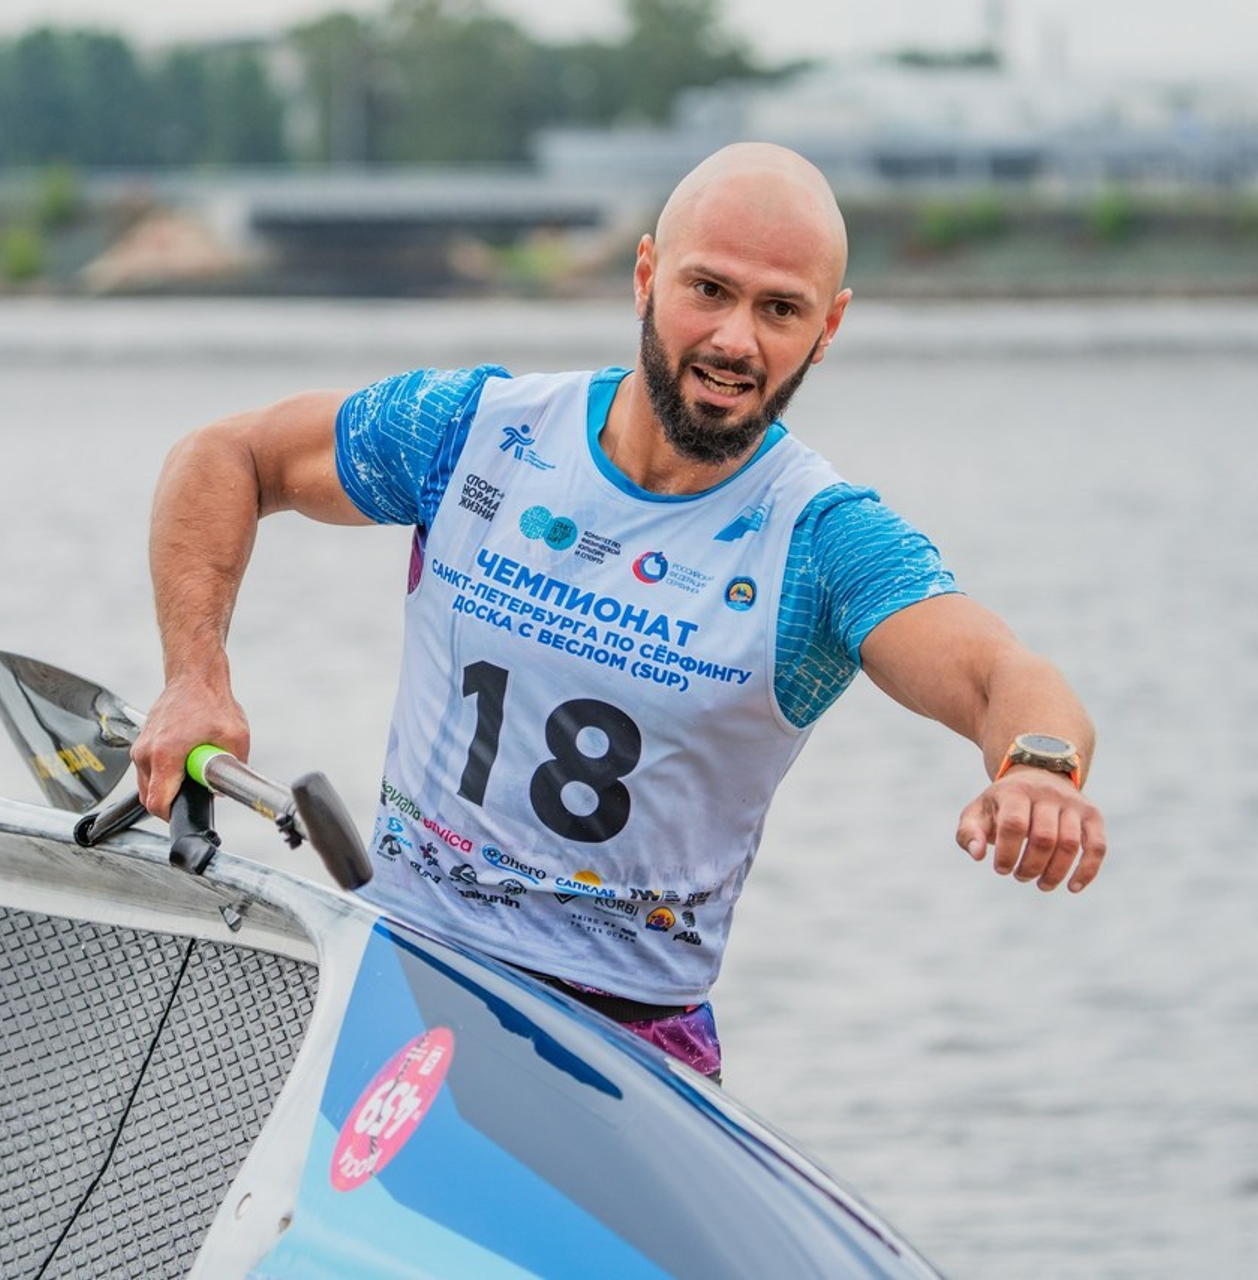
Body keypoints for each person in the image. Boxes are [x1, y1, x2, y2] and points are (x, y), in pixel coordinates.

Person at [133, 143, 1107, 1080]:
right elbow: (227, 458)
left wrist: (1039, 769)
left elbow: (997, 672)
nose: (735, 340)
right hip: (405, 978)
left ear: (828, 327)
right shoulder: (472, 430)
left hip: (624, 1049)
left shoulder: (819, 540)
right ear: (644, 274)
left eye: (779, 309)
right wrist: (194, 680)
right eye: (708, 290)